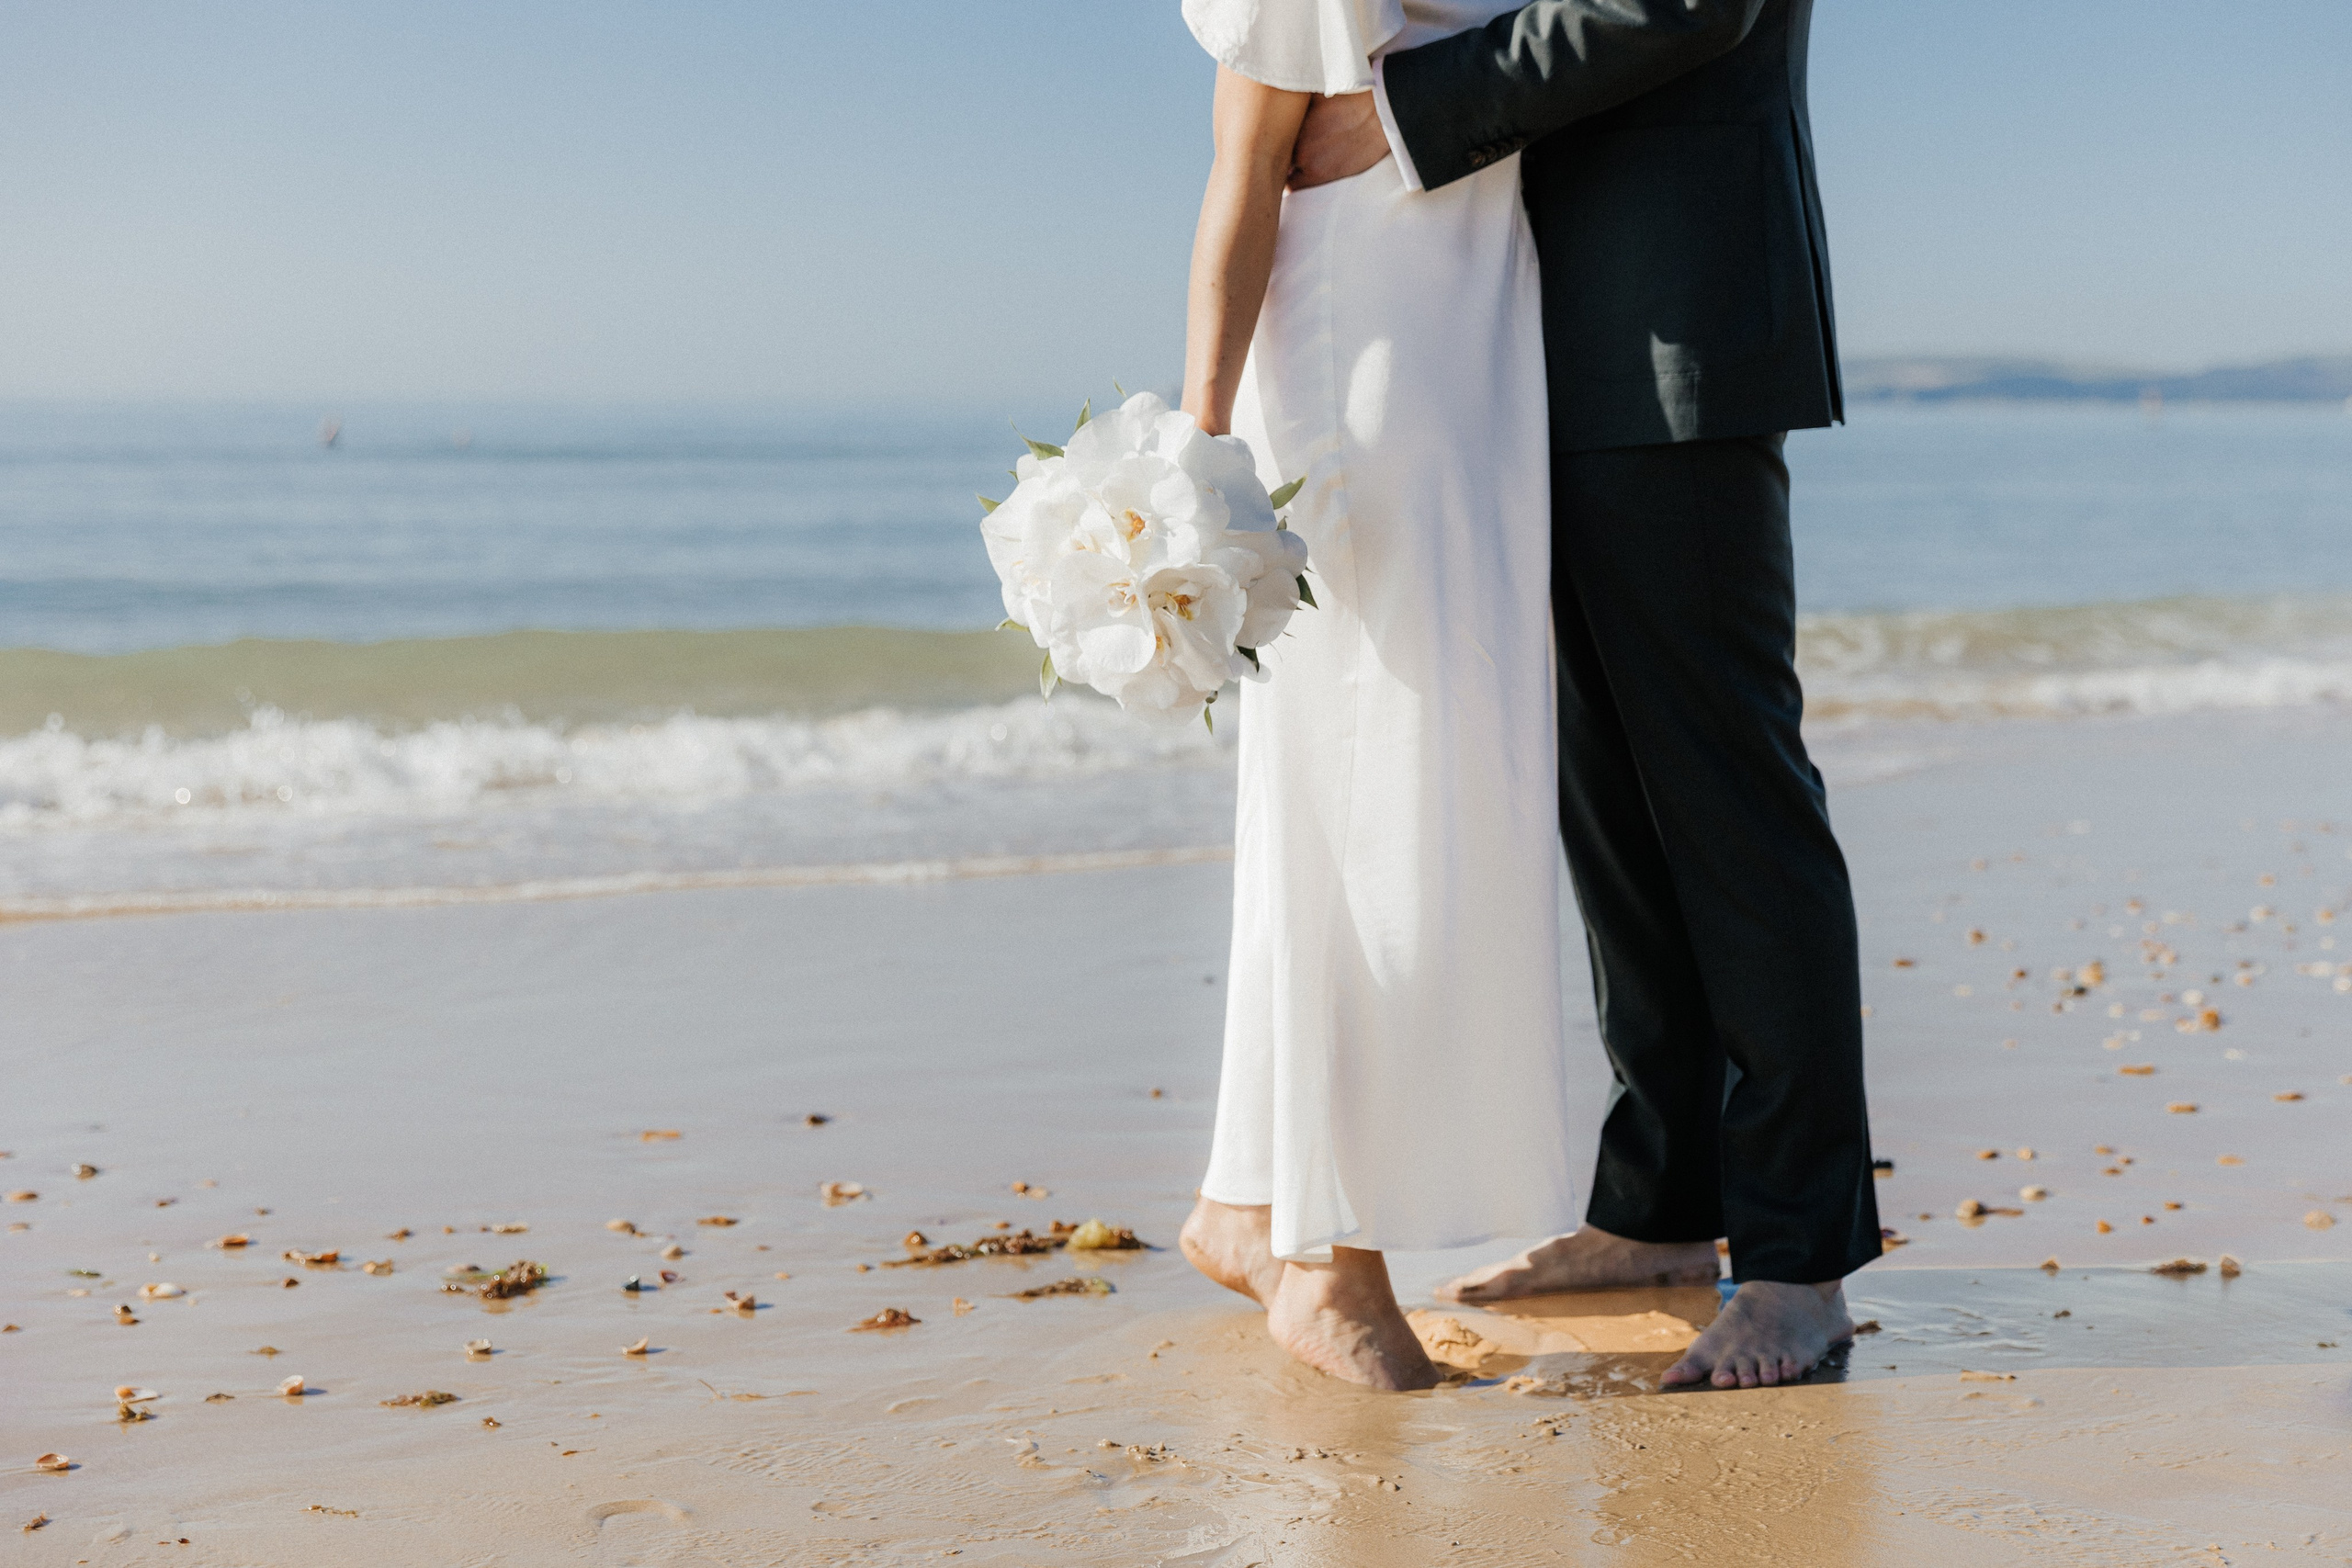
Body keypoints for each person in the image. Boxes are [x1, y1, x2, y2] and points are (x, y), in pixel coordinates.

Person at [1182, 0, 1884, 1394]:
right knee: (1609, 803)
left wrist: (1396, 115)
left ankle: (1800, 1266)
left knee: (1729, 789)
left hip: (1670, 317)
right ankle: (1660, 1208)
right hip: (1503, 337)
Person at [1174, 0, 1576, 1392]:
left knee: (1430, 779)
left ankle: (1251, 1199)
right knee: (1367, 781)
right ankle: (1329, 1262)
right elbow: (1242, 174)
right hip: (1366, 374)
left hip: (1469, 352)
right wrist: (1201, 457)